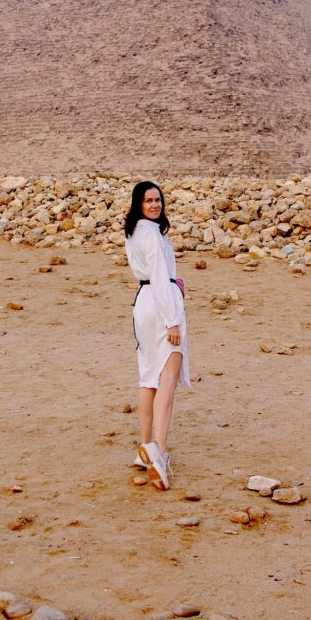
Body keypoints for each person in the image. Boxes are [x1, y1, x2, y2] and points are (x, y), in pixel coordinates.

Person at [124, 180, 190, 490]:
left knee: (148, 377)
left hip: (143, 303)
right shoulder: (151, 233)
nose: (155, 205)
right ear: (138, 203)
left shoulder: (136, 231)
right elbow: (161, 279)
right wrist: (172, 321)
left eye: (158, 200)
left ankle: (145, 446)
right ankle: (159, 452)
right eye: (149, 200)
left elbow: (157, 275)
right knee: (168, 375)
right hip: (159, 306)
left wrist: (176, 282)